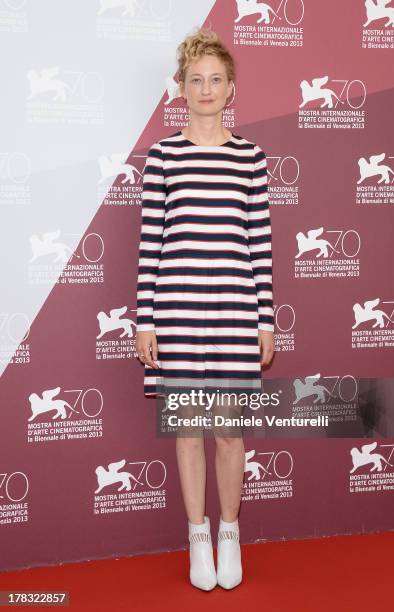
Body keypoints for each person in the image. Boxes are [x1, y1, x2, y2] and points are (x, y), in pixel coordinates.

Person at [135, 26, 275, 591]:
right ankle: (197, 537)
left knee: (228, 433)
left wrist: (265, 319)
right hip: (176, 310)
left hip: (237, 312)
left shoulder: (252, 159)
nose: (207, 89)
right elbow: (150, 245)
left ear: (231, 87)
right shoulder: (163, 156)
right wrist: (145, 317)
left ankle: (229, 532)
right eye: (197, 80)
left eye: (217, 79)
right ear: (182, 88)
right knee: (189, 430)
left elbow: (260, 247)